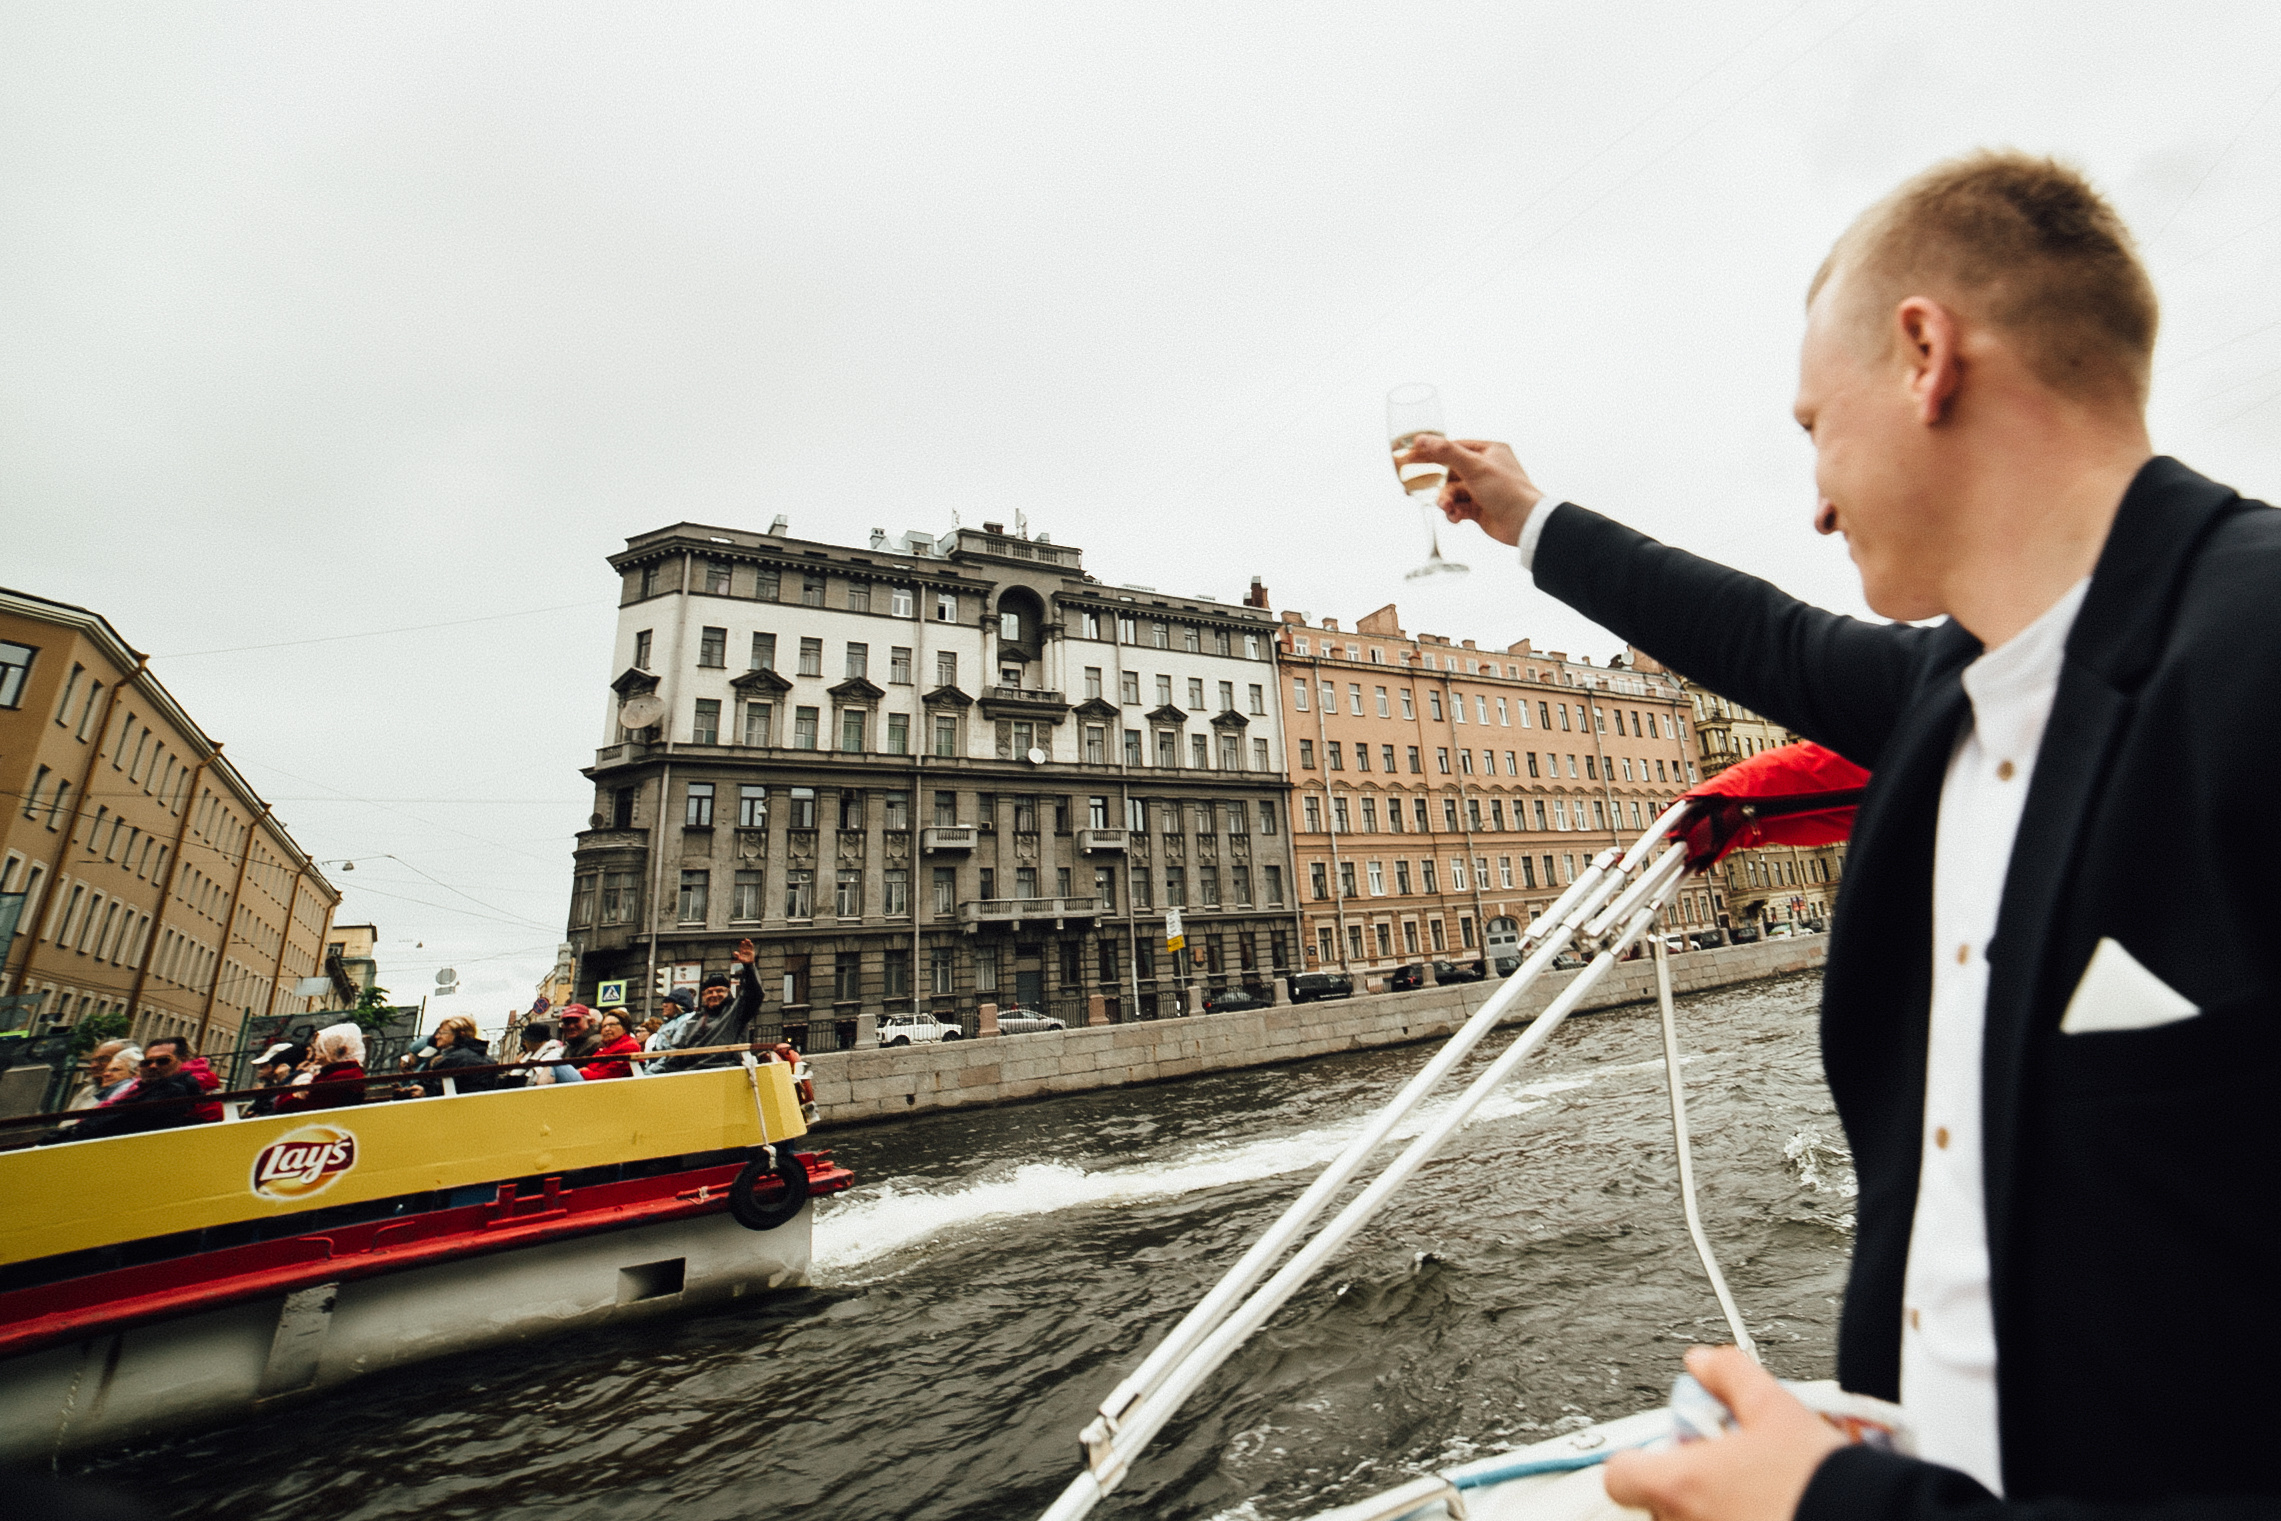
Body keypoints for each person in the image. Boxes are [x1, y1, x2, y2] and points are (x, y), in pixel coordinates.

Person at [1400, 151, 2278, 1521]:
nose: (1813, 498)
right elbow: (1754, 632)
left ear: (1926, 357)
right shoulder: (1952, 689)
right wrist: (1527, 519)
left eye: (1815, 426)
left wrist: (1831, 1508)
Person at [47, 1037, 220, 1142]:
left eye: (163, 1061)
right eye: (147, 1062)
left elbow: (123, 1120)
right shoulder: (146, 1087)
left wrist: (73, 1133)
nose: (153, 1066)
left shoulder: (177, 1089)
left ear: (183, 1060)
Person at [651, 941, 765, 1073]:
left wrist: (749, 967)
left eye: (720, 991)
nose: (714, 995)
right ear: (703, 996)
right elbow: (677, 1052)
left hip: (725, 1071)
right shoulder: (694, 1020)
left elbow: (754, 994)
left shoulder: (736, 1013)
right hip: (691, 1074)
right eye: (709, 992)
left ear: (728, 993)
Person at [272, 1023, 368, 1112]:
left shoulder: (338, 1077)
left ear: (341, 1052)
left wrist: (288, 1091)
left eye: (322, 1051)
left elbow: (288, 1106)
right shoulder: (346, 1071)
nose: (316, 1056)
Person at [400, 1015, 497, 1097]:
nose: (437, 1036)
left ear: (460, 1034)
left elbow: (433, 1089)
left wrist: (423, 1092)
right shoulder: (487, 1059)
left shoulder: (453, 1059)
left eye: (442, 1033)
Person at [66, 1040, 137, 1109]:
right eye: (93, 1060)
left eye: (103, 1059)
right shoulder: (87, 1091)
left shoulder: (131, 1093)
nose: (93, 1066)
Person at [577, 1010, 644, 1081]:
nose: (606, 1029)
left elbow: (608, 1076)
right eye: (603, 1026)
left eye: (612, 1025)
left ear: (624, 1028)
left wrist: (582, 1072)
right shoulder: (606, 1047)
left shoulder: (628, 1047)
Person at [519, 1020, 583, 1085]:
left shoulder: (553, 1056)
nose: (524, 1043)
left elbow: (540, 1082)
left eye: (525, 1040)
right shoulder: (529, 1056)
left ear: (535, 1042)